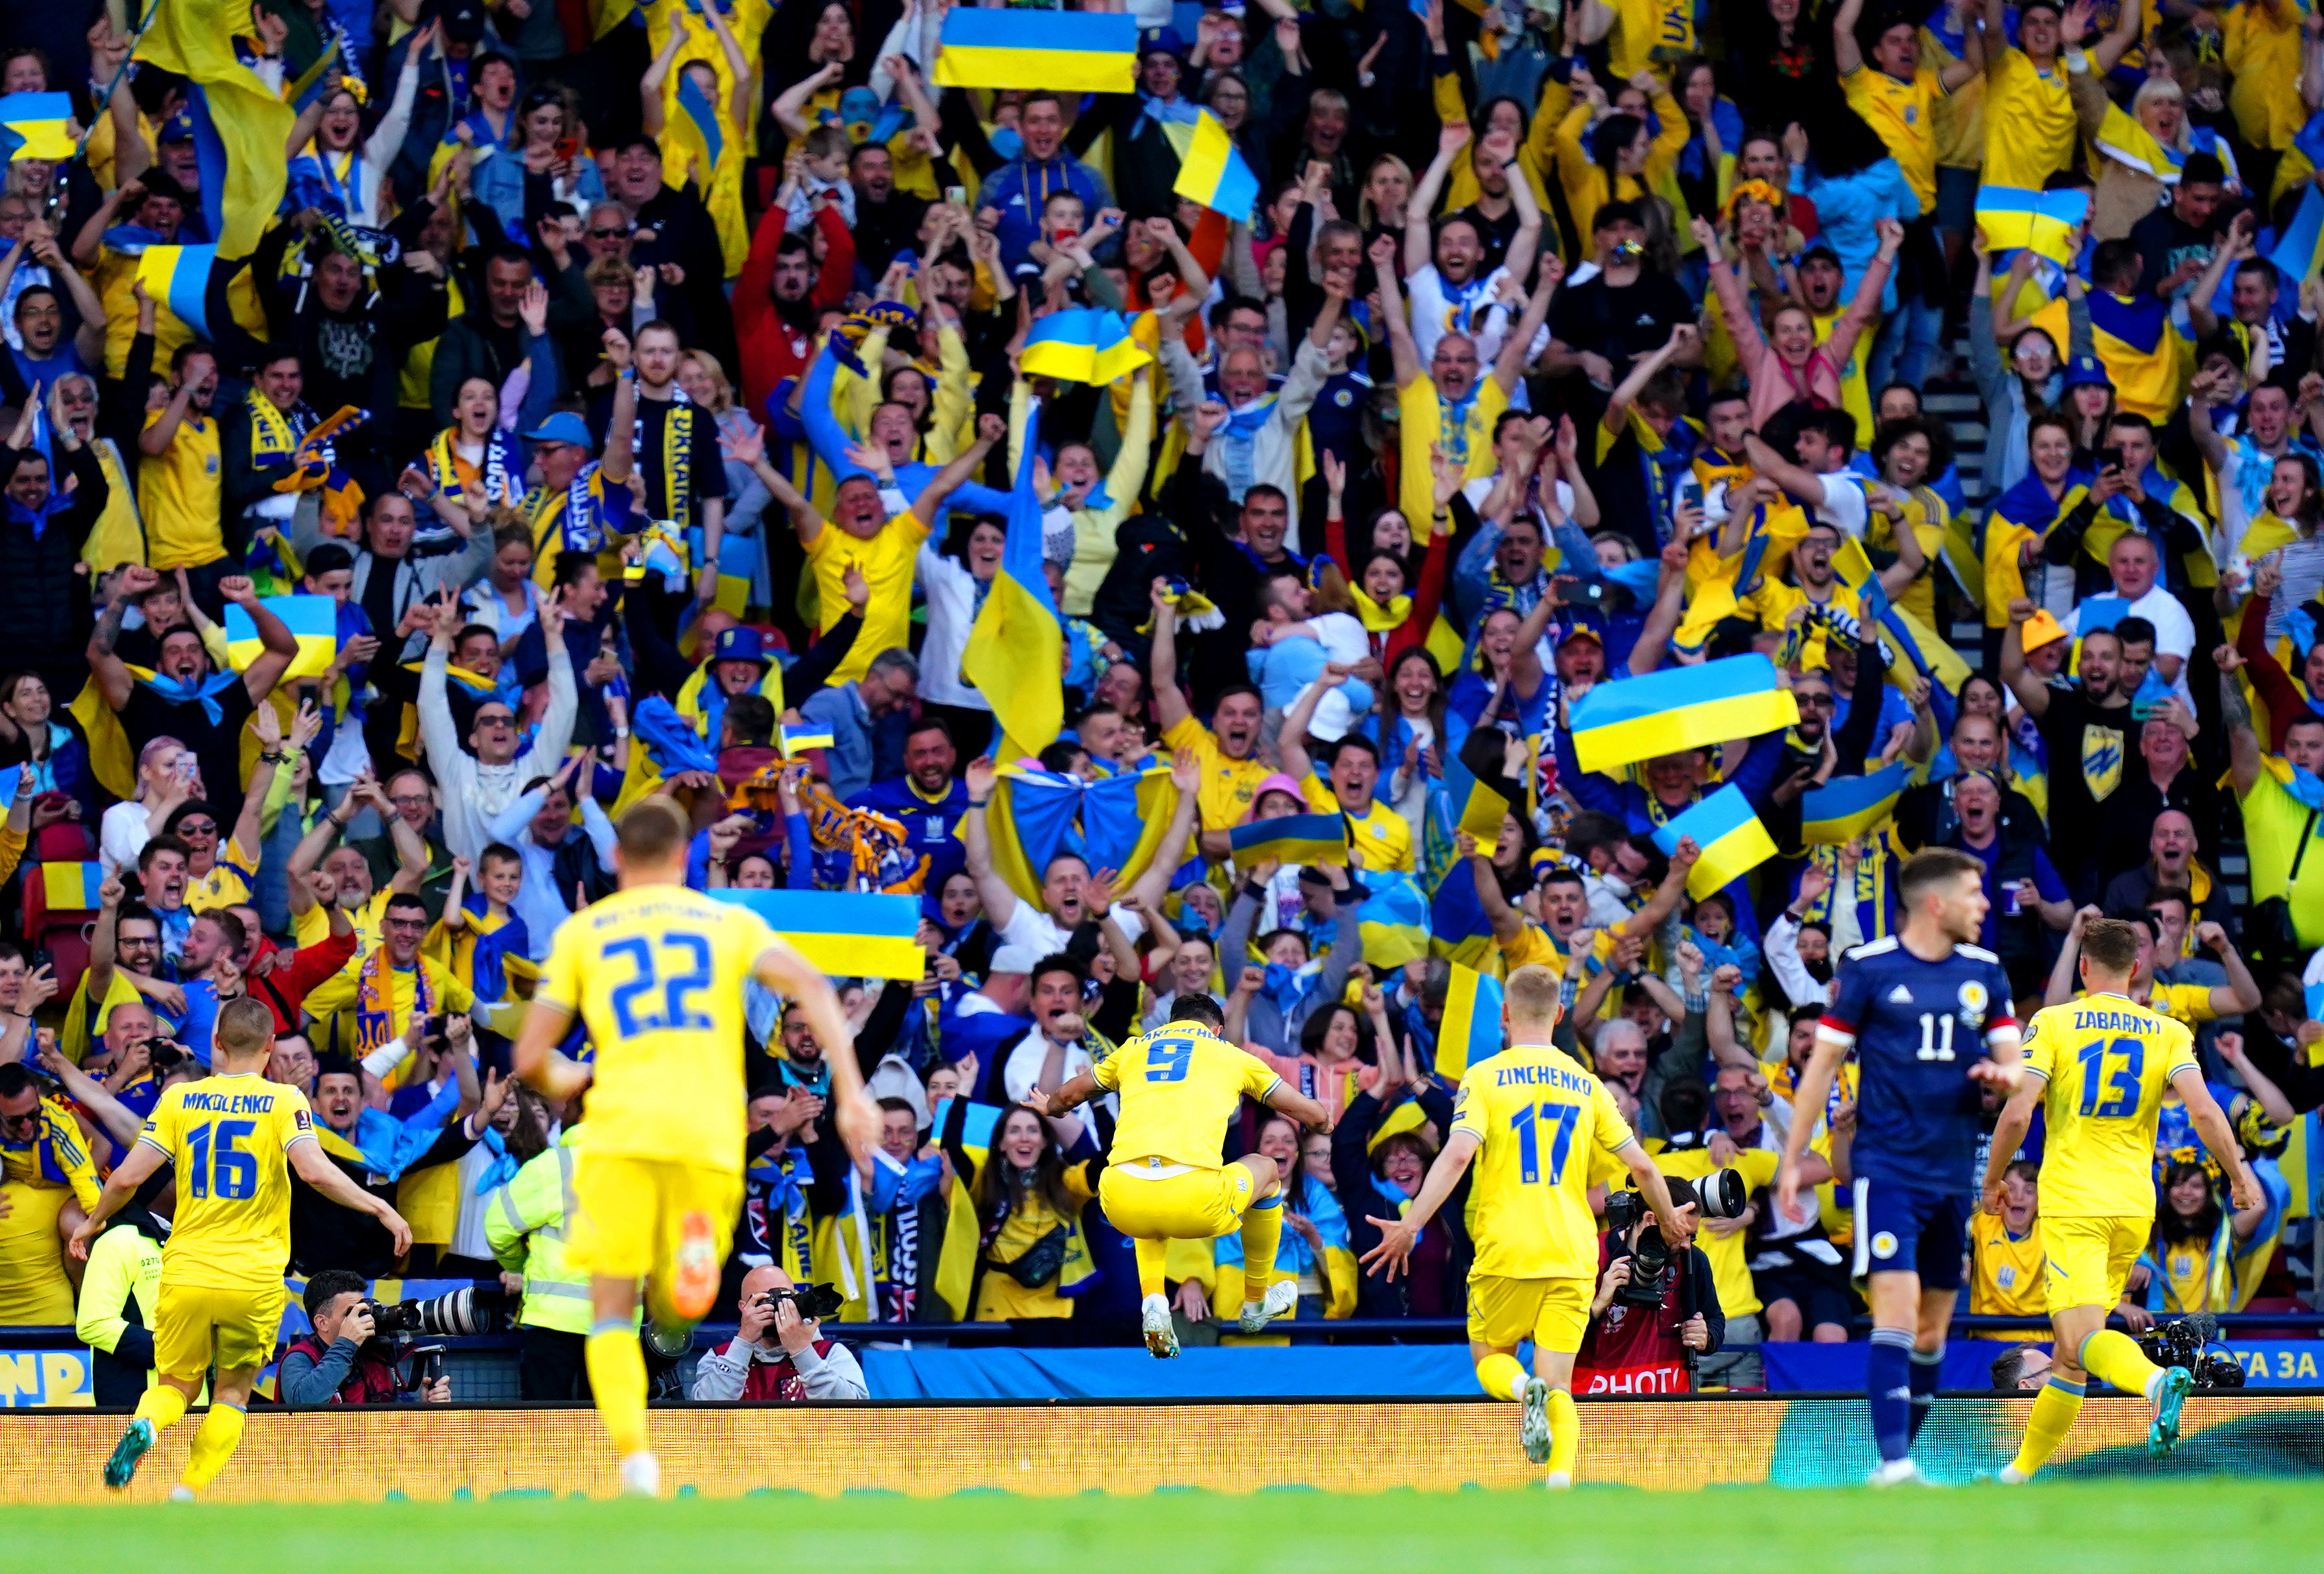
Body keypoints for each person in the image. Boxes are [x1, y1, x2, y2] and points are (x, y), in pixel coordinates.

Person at [511, 797, 876, 1497]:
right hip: (706, 1136)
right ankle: (694, 1265)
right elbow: (809, 984)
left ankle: (636, 1460)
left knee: (614, 1310)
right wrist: (853, 1090)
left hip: (619, 1132)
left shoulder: (585, 932)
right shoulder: (726, 921)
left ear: (617, 859)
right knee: (684, 1301)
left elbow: (533, 1057)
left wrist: (576, 1073)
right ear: (685, 861)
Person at [1360, 964, 1693, 1481]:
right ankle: (1558, 1485)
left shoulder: (1484, 1077)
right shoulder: (1586, 1084)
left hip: (1507, 1248)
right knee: (1560, 1384)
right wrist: (1670, 1220)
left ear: (1503, 1016)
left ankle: (1520, 1390)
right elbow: (1643, 1166)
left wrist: (1410, 1226)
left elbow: (1453, 1157)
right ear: (1560, 1015)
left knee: (1490, 1358)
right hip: (1573, 1252)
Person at [70, 997, 413, 1498]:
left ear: (216, 1043)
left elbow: (128, 1176)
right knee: (231, 1393)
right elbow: (314, 1172)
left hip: (185, 1270)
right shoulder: (283, 1101)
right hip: (251, 1278)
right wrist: (380, 1207)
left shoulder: (179, 1100)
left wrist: (93, 1222)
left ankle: (144, 1427)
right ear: (271, 1048)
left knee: (173, 1388)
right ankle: (186, 1492)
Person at [1778, 848, 2024, 1485]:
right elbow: (1822, 1070)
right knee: (1895, 1308)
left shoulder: (1986, 971)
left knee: (1931, 1330)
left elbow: (2015, 1061)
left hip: (1951, 1176)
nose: (1986, 906)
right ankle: (1894, 1463)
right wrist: (1791, 1158)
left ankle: (1897, 1460)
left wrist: (2006, 1074)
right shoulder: (1867, 968)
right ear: (1936, 904)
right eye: (1975, 894)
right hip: (1885, 1169)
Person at [1984, 918, 2258, 1479]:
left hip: (2074, 1205)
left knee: (2079, 1339)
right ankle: (2017, 1475)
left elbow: (2016, 1111)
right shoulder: (2166, 1030)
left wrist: (1992, 1180)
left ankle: (2156, 1384)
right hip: (2134, 1207)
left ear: (2083, 966)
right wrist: (2236, 1175)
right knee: (2068, 1357)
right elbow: (2204, 1111)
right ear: (2135, 968)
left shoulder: (2053, 1022)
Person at [1027, 993, 1333, 1357]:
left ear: (1169, 1024)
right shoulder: (1229, 1054)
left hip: (1122, 1198)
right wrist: (1325, 1121)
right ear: (1217, 1030)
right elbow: (1313, 1117)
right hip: (1193, 1197)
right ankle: (1256, 1301)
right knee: (1265, 1169)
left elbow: (1069, 1095)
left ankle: (1154, 1302)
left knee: (1146, 1184)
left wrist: (1051, 1106)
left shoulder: (1133, 1049)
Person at [688, 1264, 869, 1400]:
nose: (778, 1308)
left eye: (785, 1298)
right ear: (744, 1308)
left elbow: (855, 1417)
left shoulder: (830, 1354)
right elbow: (704, 1416)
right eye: (766, 1299)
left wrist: (803, 1353)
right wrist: (743, 1343)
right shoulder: (721, 1356)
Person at [278, 1268, 455, 1405]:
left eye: (362, 1310)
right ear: (322, 1322)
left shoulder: (375, 1354)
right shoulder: (300, 1358)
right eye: (350, 1313)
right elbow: (303, 1404)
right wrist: (346, 1345)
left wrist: (423, 1408)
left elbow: (390, 1426)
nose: (360, 1319)